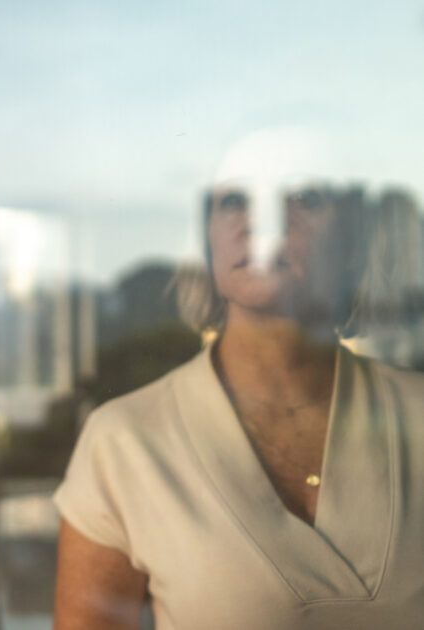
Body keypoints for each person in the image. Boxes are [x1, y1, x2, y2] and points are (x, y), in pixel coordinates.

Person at [52, 131, 424, 629]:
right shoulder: (124, 442)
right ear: (207, 243)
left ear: (353, 241)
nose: (260, 222)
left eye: (303, 198)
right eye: (234, 201)